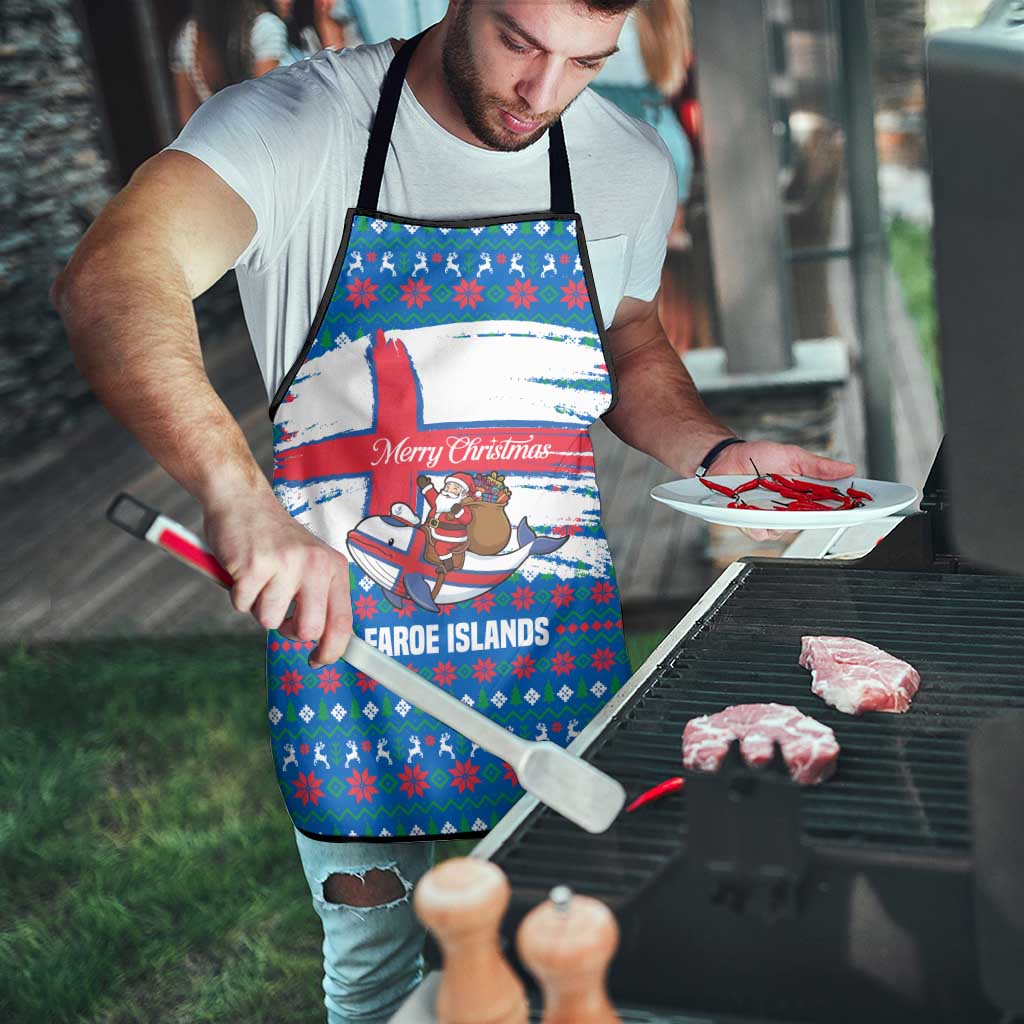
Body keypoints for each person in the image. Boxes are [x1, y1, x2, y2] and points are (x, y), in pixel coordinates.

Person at [52, 2, 855, 1020]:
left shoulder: (625, 161)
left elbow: (627, 337)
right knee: (378, 976)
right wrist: (237, 495)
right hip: (351, 660)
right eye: (520, 42)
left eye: (586, 62)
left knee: (586, 953)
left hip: (552, 648)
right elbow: (113, 276)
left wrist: (716, 451)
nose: (543, 93)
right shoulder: (297, 126)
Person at [169, 0, 289, 127]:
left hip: (216, 135)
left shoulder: (188, 37)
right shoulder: (265, 27)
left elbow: (187, 120)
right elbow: (266, 107)